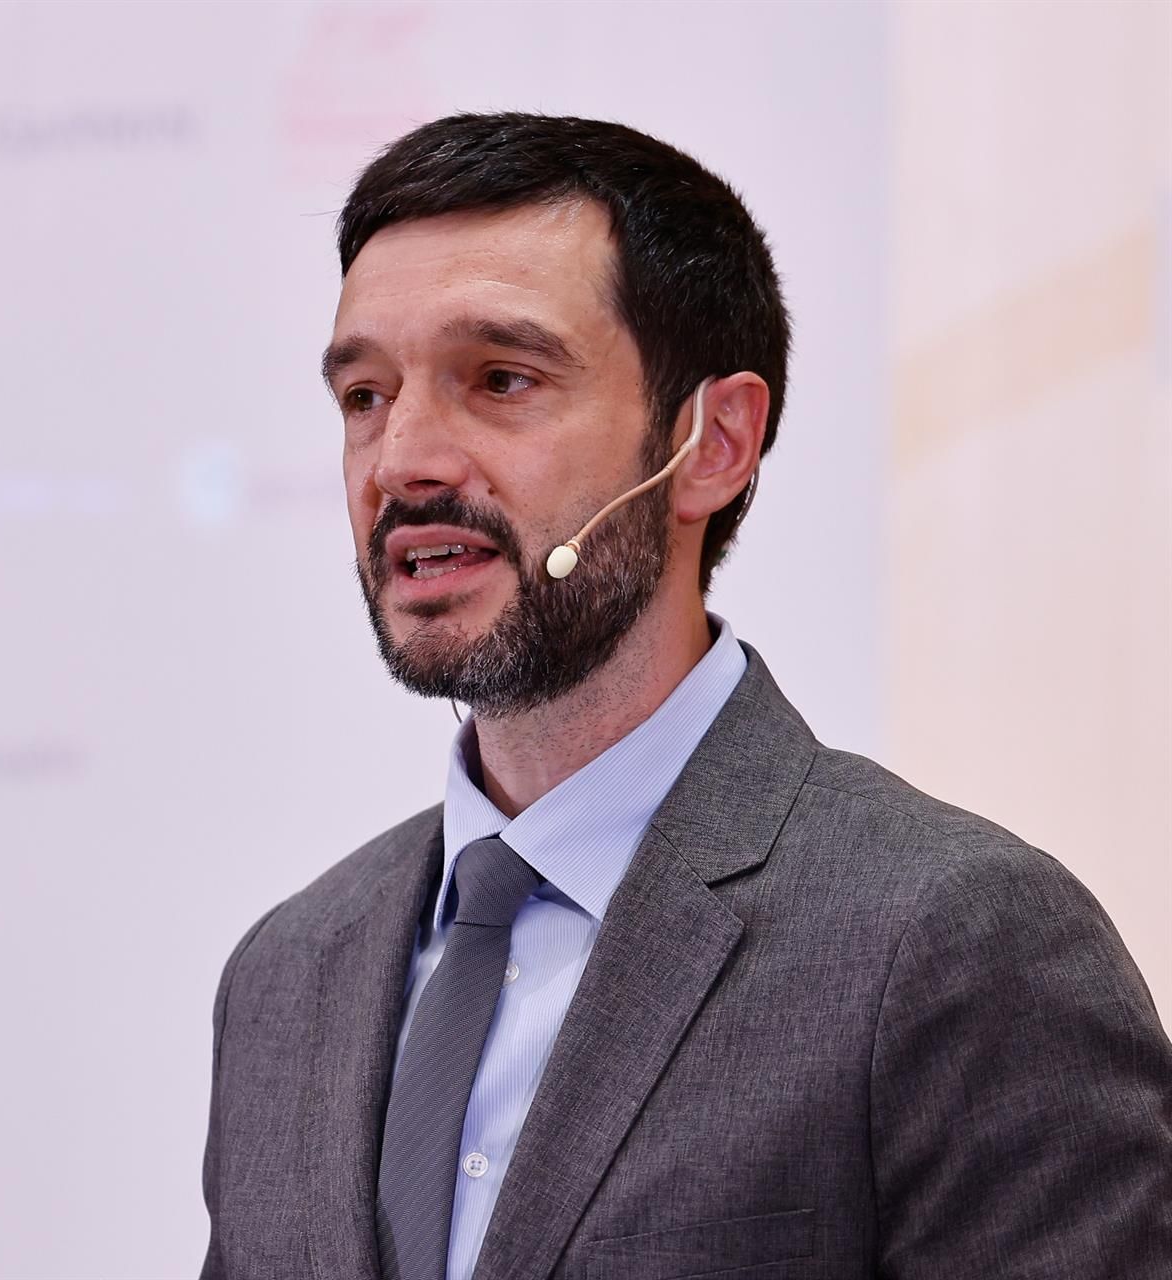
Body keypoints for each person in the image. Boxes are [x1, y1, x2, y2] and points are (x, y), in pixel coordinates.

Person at [197, 113, 1172, 1280]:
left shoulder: (953, 941)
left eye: (500, 379)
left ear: (714, 443)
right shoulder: (287, 975)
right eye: (364, 394)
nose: (402, 457)